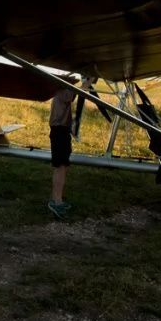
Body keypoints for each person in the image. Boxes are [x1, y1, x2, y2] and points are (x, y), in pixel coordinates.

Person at [48, 74, 96, 219]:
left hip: (62, 132)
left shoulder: (61, 91)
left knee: (62, 167)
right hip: (59, 132)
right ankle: (56, 202)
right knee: (60, 167)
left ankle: (58, 199)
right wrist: (88, 82)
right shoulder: (61, 92)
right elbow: (75, 94)